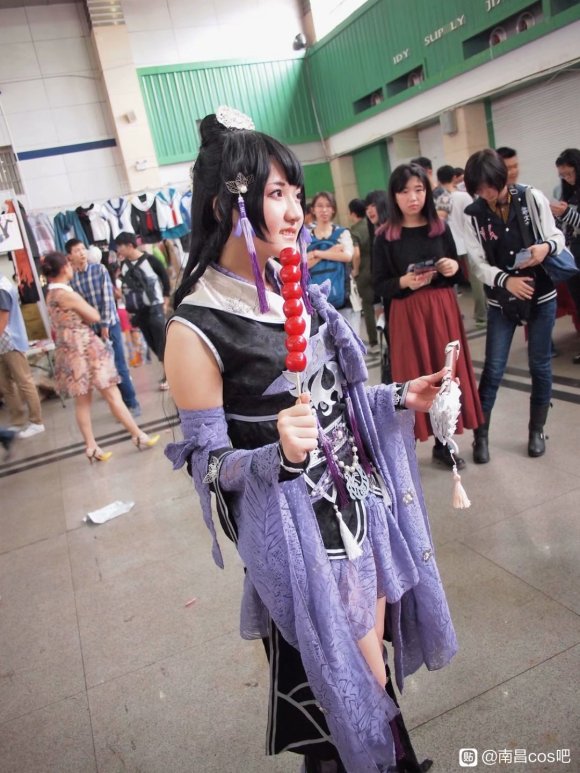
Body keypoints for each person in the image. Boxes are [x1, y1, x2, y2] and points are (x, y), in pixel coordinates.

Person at [164, 108, 457, 773]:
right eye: (277, 193)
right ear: (226, 206)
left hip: (357, 505)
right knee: (346, 691)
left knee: (371, 681)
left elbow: (337, 405)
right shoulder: (196, 327)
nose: (296, 210)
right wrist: (276, 454)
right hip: (300, 537)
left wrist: (397, 396)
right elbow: (208, 466)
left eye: (295, 192)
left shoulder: (291, 285)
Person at [373, 163, 483, 469]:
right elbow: (379, 285)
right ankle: (408, 444)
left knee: (445, 375)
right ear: (394, 195)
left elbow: (457, 275)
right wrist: (403, 282)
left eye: (419, 189)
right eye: (404, 191)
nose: (413, 197)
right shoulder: (385, 236)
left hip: (441, 310)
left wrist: (452, 267)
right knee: (414, 377)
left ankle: (443, 443)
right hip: (407, 315)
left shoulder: (440, 228)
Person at [463, 149, 564, 462]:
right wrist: (506, 281)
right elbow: (476, 263)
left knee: (540, 365)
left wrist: (545, 247)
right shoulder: (473, 213)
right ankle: (481, 436)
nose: (485, 194)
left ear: (501, 177)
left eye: (489, 186)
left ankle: (536, 430)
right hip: (501, 299)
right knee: (493, 369)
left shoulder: (530, 197)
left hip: (540, 294)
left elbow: (556, 236)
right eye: (478, 189)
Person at [40, 252, 159, 462]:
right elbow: (94, 316)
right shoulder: (66, 294)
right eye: (69, 264)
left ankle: (93, 447)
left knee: (83, 401)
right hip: (84, 346)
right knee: (111, 392)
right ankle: (138, 435)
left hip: (69, 348)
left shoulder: (51, 294)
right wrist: (86, 313)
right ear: (64, 268)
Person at [66, 239, 141, 416]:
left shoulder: (99, 269)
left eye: (83, 249)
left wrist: (105, 325)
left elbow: (108, 299)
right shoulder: (72, 279)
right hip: (91, 329)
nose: (82, 253)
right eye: (77, 250)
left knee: (119, 364)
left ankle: (132, 403)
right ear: (69, 256)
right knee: (104, 369)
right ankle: (120, 406)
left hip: (110, 324)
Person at [114, 232, 171, 390]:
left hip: (155, 307)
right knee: (152, 343)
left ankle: (169, 375)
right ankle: (169, 372)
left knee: (161, 341)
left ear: (130, 246)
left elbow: (165, 279)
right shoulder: (123, 265)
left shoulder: (151, 260)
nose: (118, 250)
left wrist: (165, 301)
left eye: (120, 246)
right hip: (139, 311)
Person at [435, 165, 488, 328]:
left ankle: (453, 318)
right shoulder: (464, 196)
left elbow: (439, 222)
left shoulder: (442, 198)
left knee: (451, 282)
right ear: (454, 177)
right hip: (468, 243)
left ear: (439, 180)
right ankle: (481, 316)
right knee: (476, 280)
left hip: (451, 246)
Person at [0, 274, 45, 438]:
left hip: (10, 340)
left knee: (24, 381)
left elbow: (3, 318)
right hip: (3, 343)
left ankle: (36, 422)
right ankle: (17, 420)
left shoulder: (2, 287)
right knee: (5, 385)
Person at [550, 148, 580, 363]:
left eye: (570, 173)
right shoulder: (568, 193)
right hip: (571, 255)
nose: (567, 179)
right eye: (563, 175)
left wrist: (567, 213)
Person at [307, 191, 353, 310]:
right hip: (316, 305)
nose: (324, 210)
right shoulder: (306, 237)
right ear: (313, 210)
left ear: (333, 209)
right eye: (320, 206)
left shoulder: (342, 233)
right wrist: (332, 251)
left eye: (328, 206)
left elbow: (347, 256)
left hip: (344, 299)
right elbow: (303, 265)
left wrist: (316, 253)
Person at [348, 198, 378, 352]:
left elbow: (356, 254)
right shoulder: (372, 224)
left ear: (352, 213)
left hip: (364, 272)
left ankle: (374, 341)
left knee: (367, 306)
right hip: (378, 268)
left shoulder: (354, 230)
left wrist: (355, 270)